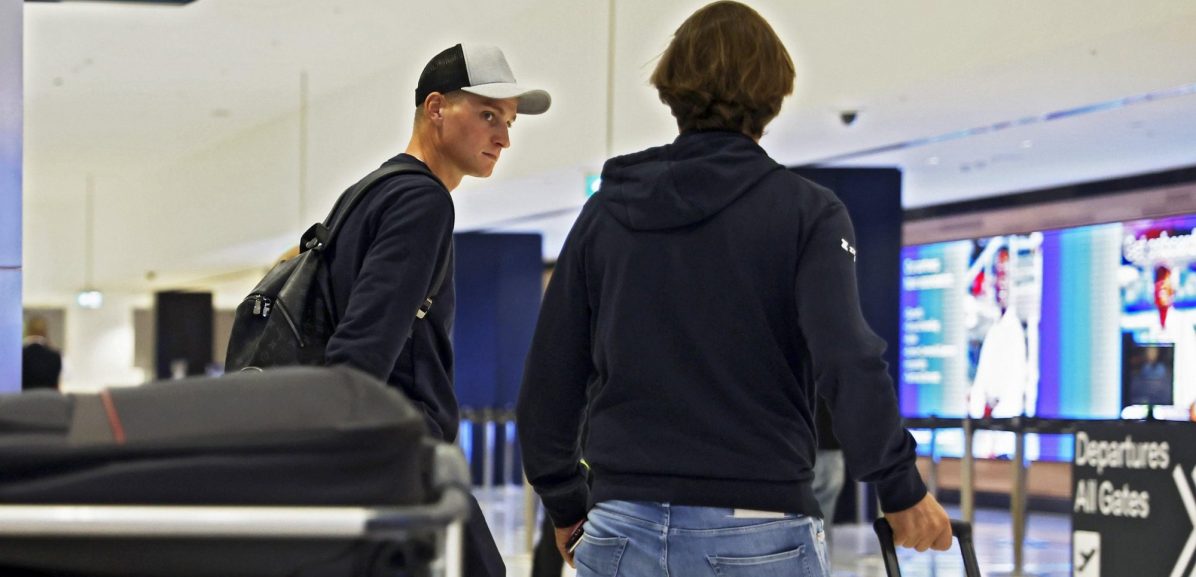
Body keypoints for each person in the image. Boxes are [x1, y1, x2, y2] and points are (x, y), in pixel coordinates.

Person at [516, 3, 950, 576]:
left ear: (672, 88)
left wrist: (566, 500)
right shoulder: (806, 213)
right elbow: (846, 359)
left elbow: (551, 375)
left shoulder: (606, 215)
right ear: (774, 92)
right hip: (759, 523)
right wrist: (899, 486)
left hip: (621, 522)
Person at [321, 43, 550, 576]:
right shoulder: (421, 201)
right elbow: (362, 350)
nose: (504, 137)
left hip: (382, 458)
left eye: (510, 122)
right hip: (401, 461)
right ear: (436, 108)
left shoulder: (368, 192)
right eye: (489, 114)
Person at [22, 315, 62, 391]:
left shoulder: (19, 356)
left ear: (28, 331)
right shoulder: (55, 356)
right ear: (45, 332)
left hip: (25, 401)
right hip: (49, 401)